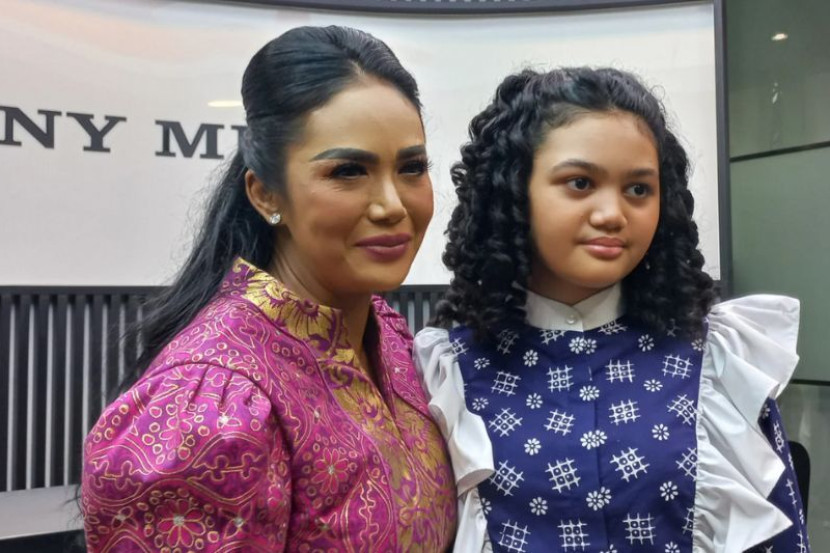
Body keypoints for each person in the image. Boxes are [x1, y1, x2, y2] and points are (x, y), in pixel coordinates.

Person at [81, 26, 456, 552]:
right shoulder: (211, 403)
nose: (393, 205)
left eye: (412, 168)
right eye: (349, 171)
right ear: (265, 194)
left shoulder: (389, 336)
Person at [415, 67, 808, 553]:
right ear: (513, 191)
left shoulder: (717, 359)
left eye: (638, 189)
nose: (612, 214)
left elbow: (780, 536)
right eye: (580, 183)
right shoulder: (448, 370)